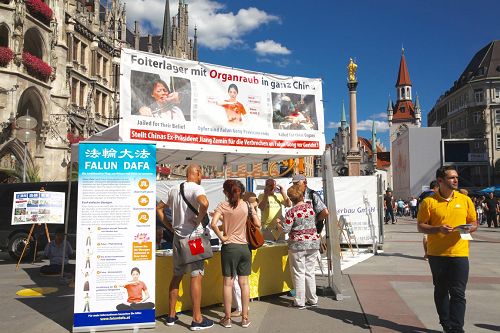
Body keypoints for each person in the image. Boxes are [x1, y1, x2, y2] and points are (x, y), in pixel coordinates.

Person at [417, 166, 477, 333]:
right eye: (452, 178)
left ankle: (456, 328)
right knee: (441, 290)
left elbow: (474, 223)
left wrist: (468, 228)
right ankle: (445, 323)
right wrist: (437, 229)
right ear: (440, 181)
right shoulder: (429, 202)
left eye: (456, 177)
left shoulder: (465, 200)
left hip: (460, 252)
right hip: (437, 254)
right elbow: (421, 226)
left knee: (458, 292)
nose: (456, 180)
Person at [156, 164, 214, 330]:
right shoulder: (196, 188)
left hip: (177, 238)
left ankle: (171, 316)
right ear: (196, 173)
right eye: (200, 173)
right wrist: (199, 218)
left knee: (177, 275)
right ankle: (197, 319)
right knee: (196, 276)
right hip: (194, 238)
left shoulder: (174, 189)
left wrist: (169, 226)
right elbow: (204, 203)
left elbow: (159, 208)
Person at [210, 180, 260, 328]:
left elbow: (213, 224)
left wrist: (223, 237)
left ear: (226, 192)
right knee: (244, 283)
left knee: (228, 283)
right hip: (244, 247)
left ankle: (227, 318)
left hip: (229, 247)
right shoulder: (246, 205)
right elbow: (257, 224)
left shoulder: (222, 205)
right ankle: (245, 318)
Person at [278, 184, 320, 309]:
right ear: (302, 196)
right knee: (310, 272)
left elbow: (285, 230)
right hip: (313, 242)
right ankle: (312, 299)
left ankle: (300, 301)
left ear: (291, 199)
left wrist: (279, 224)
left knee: (298, 273)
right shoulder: (310, 208)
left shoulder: (291, 212)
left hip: (297, 244)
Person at [417, 180, 439, 260]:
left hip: (423, 217)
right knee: (432, 236)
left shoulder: (423, 194)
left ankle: (426, 253)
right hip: (433, 218)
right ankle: (431, 253)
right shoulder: (435, 195)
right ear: (436, 187)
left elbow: (418, 205)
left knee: (425, 236)